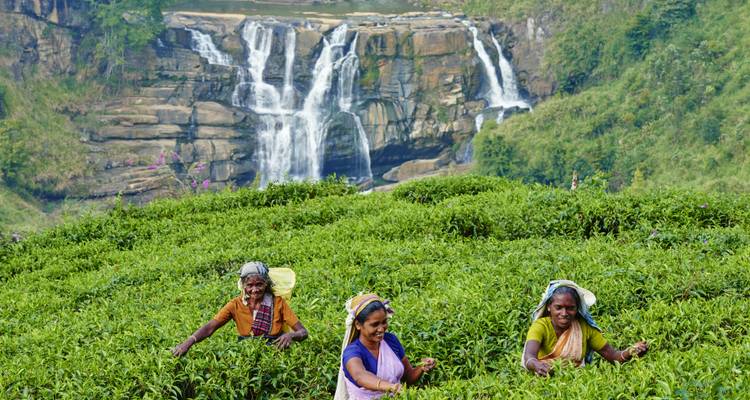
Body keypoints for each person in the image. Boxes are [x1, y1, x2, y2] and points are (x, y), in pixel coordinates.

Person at [172, 261, 308, 357]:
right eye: (250, 285)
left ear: (266, 284)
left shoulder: (278, 303)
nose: (254, 290)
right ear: (243, 285)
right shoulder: (235, 305)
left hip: (275, 354)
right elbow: (210, 327)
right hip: (245, 354)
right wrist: (188, 343)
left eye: (259, 284)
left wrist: (291, 335)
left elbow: (303, 332)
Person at [522, 280, 648, 376]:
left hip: (577, 381)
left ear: (577, 309)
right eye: (558, 307)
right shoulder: (540, 326)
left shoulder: (584, 328)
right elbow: (529, 356)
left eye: (570, 308)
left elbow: (613, 356)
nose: (564, 313)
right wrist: (537, 365)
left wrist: (631, 351)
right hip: (544, 379)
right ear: (549, 307)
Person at [334, 294, 436, 400]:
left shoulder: (391, 341)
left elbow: (408, 377)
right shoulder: (352, 352)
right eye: (375, 324)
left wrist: (422, 368)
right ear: (358, 325)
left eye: (384, 322)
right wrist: (391, 386)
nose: (381, 329)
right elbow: (360, 375)